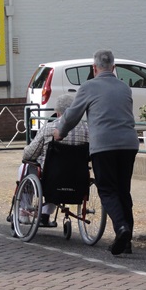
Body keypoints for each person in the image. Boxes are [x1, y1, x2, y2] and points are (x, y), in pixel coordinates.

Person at [53, 49, 139, 255]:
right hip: (129, 144)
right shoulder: (125, 88)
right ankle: (126, 242)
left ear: (94, 68)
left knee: (107, 189)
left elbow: (72, 114)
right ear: (114, 68)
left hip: (104, 146)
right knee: (123, 190)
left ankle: (121, 228)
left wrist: (60, 132)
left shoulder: (89, 87)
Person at [17, 93, 88, 227]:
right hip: (77, 177)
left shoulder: (49, 128)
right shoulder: (87, 130)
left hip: (51, 177)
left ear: (57, 112)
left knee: (27, 169)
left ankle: (24, 212)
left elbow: (30, 153)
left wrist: (25, 153)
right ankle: (45, 214)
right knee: (57, 175)